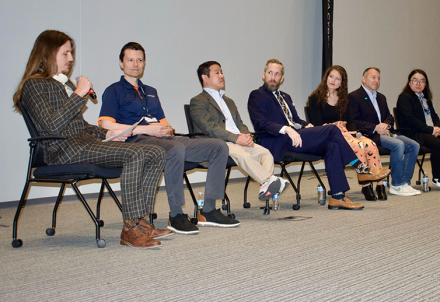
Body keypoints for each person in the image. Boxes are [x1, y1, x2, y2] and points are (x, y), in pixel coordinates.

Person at [13, 30, 172, 249]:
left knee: (156, 152)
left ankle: (139, 220)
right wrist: (79, 95)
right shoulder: (35, 85)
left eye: (71, 53)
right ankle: (130, 228)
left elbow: (80, 125)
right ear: (47, 53)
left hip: (83, 144)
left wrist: (107, 134)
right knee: (135, 153)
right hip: (62, 150)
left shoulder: (64, 84)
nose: (71, 59)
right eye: (65, 53)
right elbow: (51, 126)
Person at [99, 42, 239, 233]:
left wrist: (166, 129)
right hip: (136, 142)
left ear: (144, 63)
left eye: (139, 60)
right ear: (121, 63)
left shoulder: (151, 91)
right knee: (176, 149)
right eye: (130, 60)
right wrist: (147, 130)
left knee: (218, 146)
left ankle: (208, 210)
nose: (135, 64)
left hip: (162, 139)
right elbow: (106, 124)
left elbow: (163, 123)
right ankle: (176, 215)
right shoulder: (113, 90)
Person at [248, 59, 390, 211]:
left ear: (282, 78)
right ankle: (361, 169)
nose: (273, 77)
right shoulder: (257, 95)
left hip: (297, 137)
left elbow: (295, 120)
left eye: (277, 74)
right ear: (264, 75)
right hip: (278, 141)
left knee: (333, 146)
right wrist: (286, 129)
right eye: (270, 73)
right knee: (333, 130)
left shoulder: (286, 97)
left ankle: (338, 196)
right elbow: (260, 123)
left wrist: (305, 125)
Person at [190, 61, 289, 201]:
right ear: (205, 78)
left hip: (237, 142)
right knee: (242, 154)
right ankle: (270, 180)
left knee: (265, 153)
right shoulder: (198, 101)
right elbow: (209, 128)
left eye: (222, 72)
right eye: (217, 72)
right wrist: (236, 138)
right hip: (216, 144)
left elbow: (239, 123)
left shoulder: (228, 101)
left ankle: (267, 185)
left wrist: (246, 135)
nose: (222, 76)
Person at [307, 65, 390, 201]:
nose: (333, 80)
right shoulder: (315, 99)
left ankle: (380, 184)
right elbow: (317, 125)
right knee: (359, 146)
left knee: (370, 144)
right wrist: (340, 133)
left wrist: (354, 133)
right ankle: (366, 185)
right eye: (331, 76)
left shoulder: (343, 98)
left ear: (342, 82)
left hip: (346, 133)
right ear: (326, 78)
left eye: (337, 78)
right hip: (328, 135)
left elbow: (350, 121)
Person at [348, 67, 421, 196]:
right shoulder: (354, 96)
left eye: (378, 78)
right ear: (363, 79)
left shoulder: (381, 97)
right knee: (398, 145)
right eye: (373, 77)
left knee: (414, 145)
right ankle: (396, 185)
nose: (376, 80)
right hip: (369, 135)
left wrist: (385, 125)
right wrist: (376, 127)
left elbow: (389, 116)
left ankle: (404, 182)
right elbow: (355, 121)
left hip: (386, 132)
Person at [396, 69, 440, 191]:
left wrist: (437, 127)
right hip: (414, 133)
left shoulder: (425, 98)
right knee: (438, 144)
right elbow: (411, 119)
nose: (418, 83)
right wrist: (431, 130)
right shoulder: (404, 98)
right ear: (409, 83)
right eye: (415, 80)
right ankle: (437, 177)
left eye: (422, 81)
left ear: (425, 84)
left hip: (429, 132)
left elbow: (434, 116)